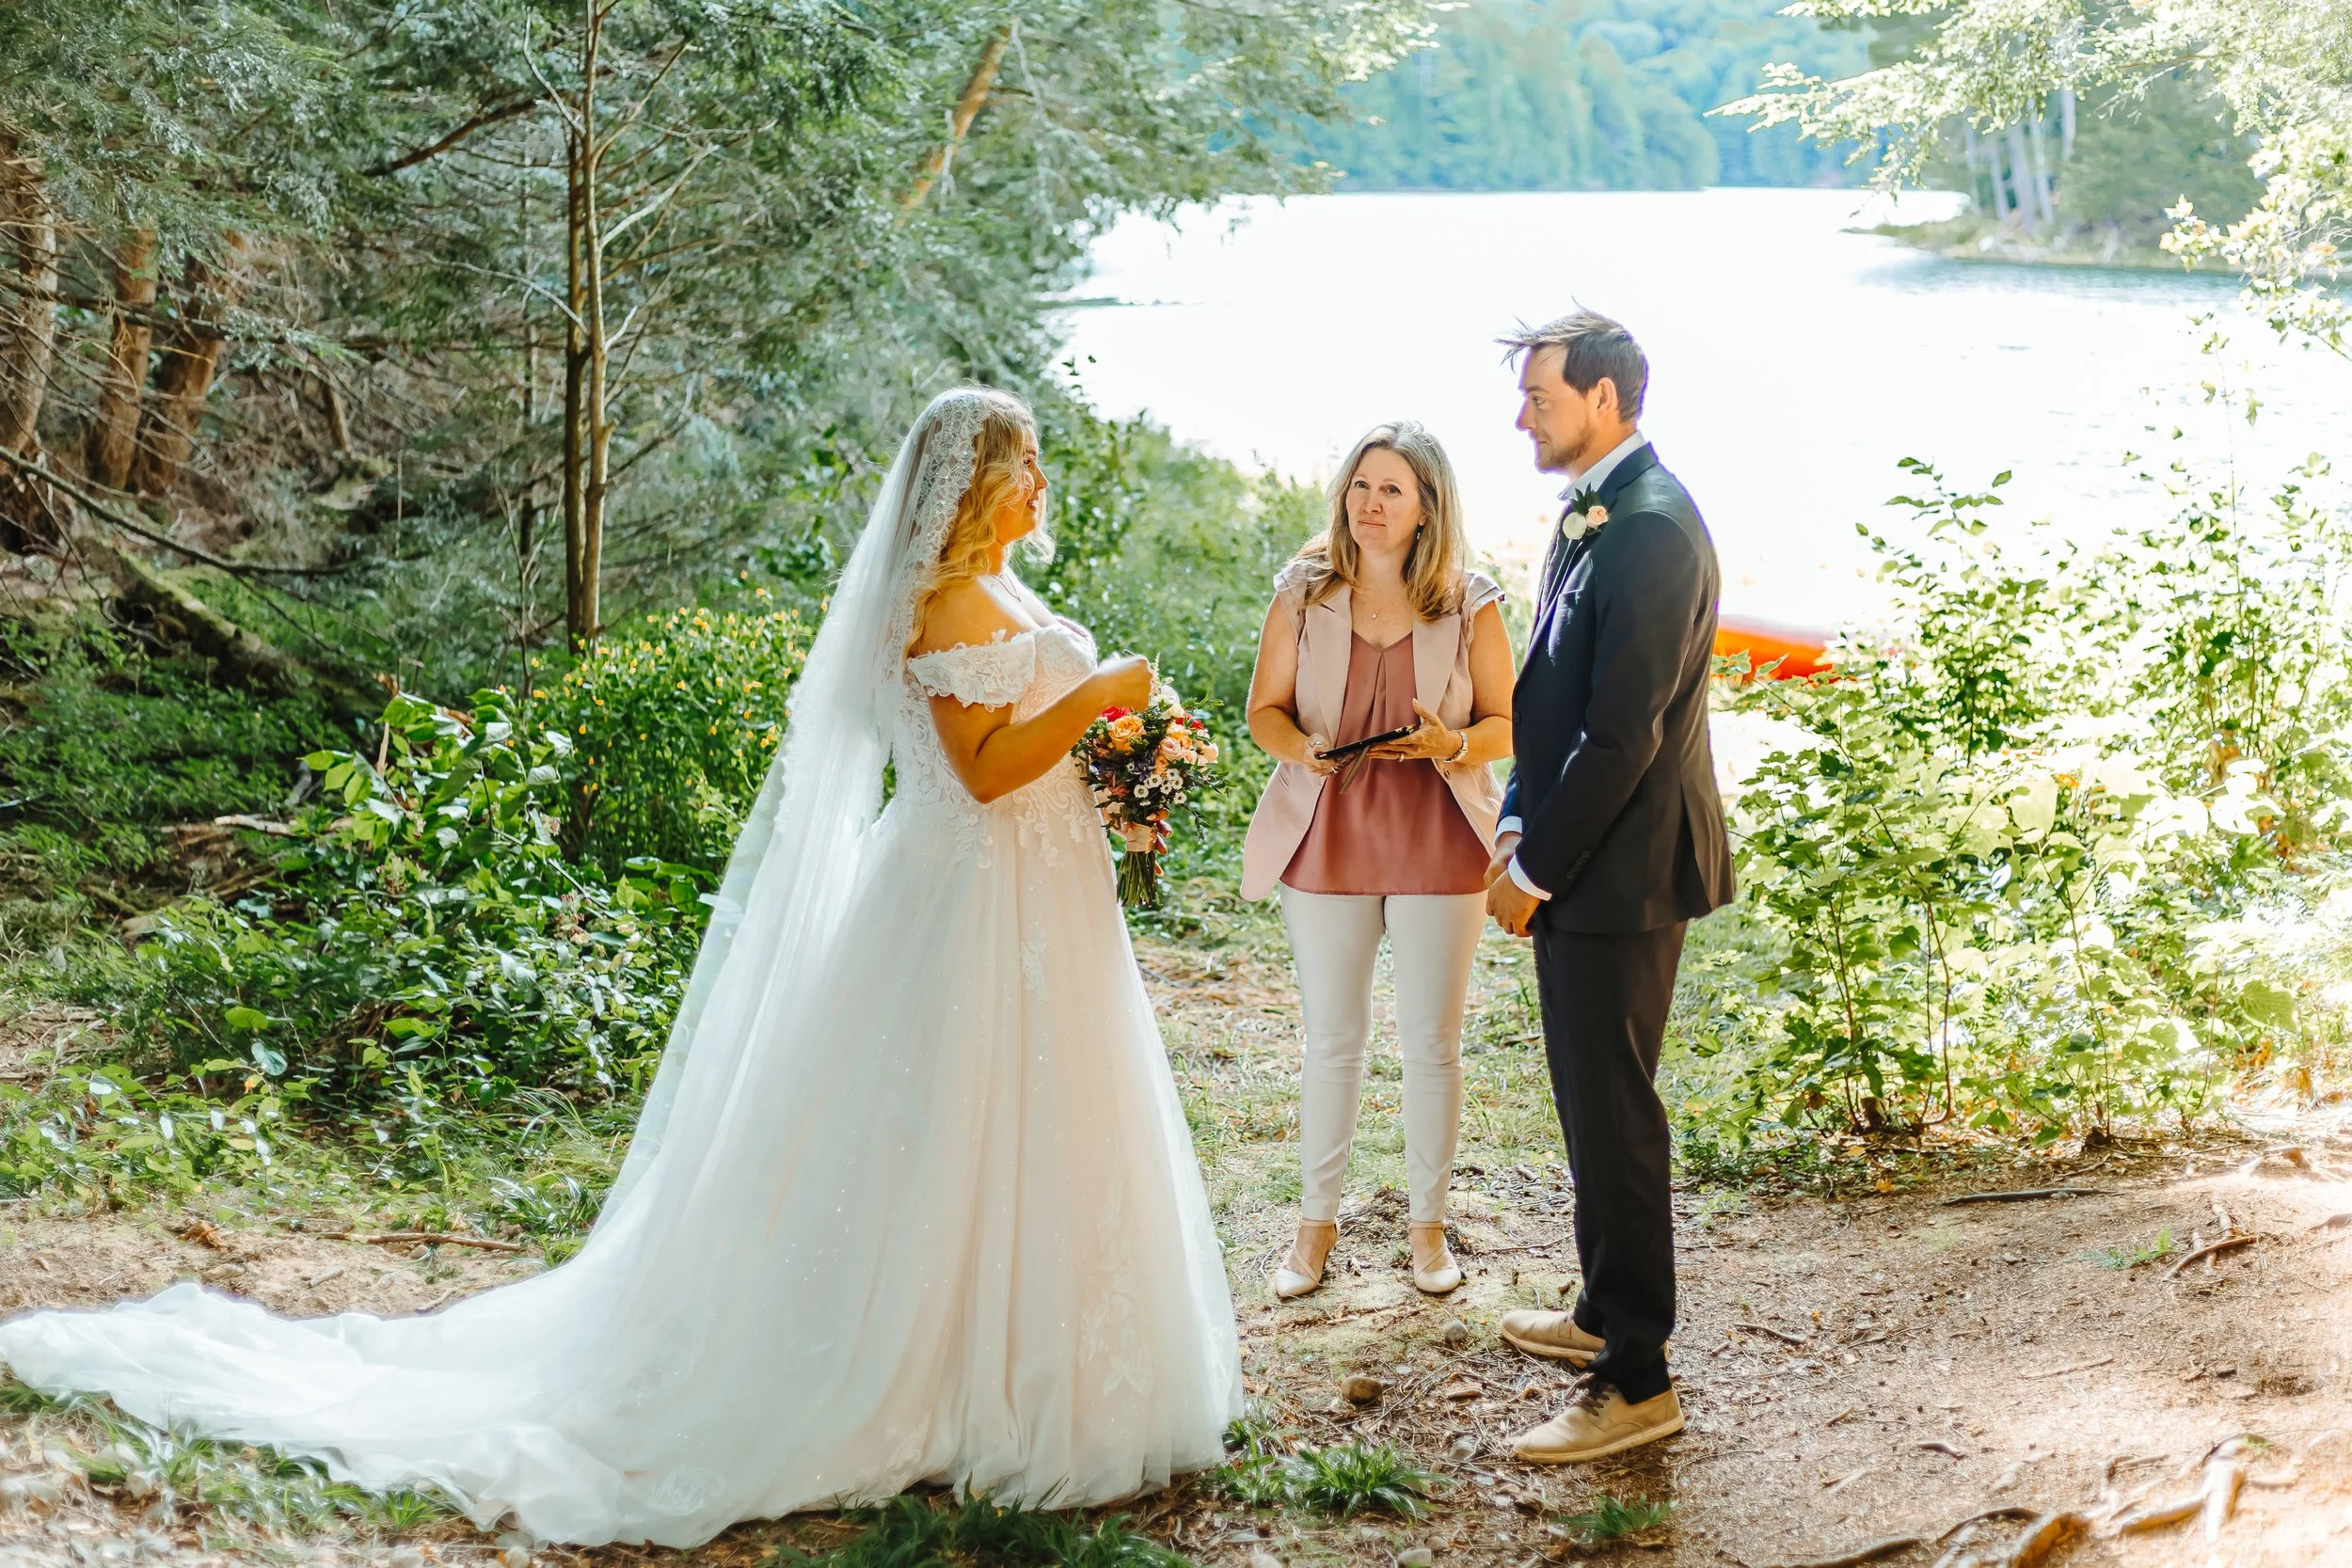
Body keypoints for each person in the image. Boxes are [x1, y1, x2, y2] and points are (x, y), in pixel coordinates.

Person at [0, 388, 1243, 1545]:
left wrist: (1129, 757)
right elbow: (978, 769)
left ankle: (1038, 1357)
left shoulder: (1008, 589)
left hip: (1040, 898)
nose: (1040, 478)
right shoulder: (940, 606)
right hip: (970, 907)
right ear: (971, 484)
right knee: (959, 1117)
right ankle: (941, 1374)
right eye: (1022, 462)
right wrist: (1100, 700)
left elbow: (1030, 735)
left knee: (1048, 1117)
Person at [1482, 311, 1735, 1464]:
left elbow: (1622, 737)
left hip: (1621, 874)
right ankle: (1598, 1310)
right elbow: (1556, 694)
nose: (1522, 414)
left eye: (1539, 394)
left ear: (1605, 398)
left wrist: (1533, 869)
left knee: (1619, 1115)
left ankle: (1636, 1374)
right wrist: (1516, 814)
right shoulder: (1597, 509)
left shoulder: (1650, 532)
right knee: (1589, 1101)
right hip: (1582, 852)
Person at [1241, 421, 1515, 1302]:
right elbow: (1264, 712)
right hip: (1328, 832)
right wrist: (1305, 747)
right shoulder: (1303, 589)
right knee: (1333, 1041)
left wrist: (1452, 741)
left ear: (1428, 504)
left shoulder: (1470, 601)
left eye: (1392, 488)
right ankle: (1312, 1229)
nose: (1370, 503)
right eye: (1361, 484)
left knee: (1433, 1044)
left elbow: (1512, 726)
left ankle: (1428, 1230)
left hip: (1441, 835)